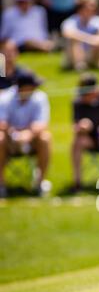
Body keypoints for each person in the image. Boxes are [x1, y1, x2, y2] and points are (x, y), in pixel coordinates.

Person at [0, 70, 51, 198]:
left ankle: (40, 182)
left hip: (32, 139)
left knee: (45, 138)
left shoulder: (40, 97)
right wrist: (14, 135)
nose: (34, 89)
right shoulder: (5, 97)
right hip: (9, 140)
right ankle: (1, 184)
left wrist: (27, 135)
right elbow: (2, 122)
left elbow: (41, 123)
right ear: (22, 87)